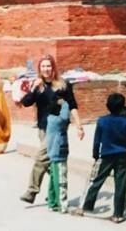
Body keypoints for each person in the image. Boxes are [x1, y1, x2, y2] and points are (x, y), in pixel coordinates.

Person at [19, 54, 84, 204]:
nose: (46, 69)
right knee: (51, 161)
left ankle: (31, 191)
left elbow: (73, 106)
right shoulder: (38, 85)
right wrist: (34, 88)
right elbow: (26, 102)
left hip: (57, 128)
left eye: (48, 66)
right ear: (39, 69)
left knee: (41, 158)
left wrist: (78, 126)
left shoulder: (62, 85)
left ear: (53, 67)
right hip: (43, 127)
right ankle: (55, 192)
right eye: (43, 66)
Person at [75, 93, 126, 223]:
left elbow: (97, 140)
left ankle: (87, 206)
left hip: (106, 155)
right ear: (123, 106)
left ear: (107, 106)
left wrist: (96, 154)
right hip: (122, 155)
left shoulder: (102, 121)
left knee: (98, 180)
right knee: (121, 184)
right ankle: (118, 214)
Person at [45, 97, 70, 212]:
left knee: (53, 179)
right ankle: (62, 204)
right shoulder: (57, 121)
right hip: (58, 153)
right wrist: (65, 103)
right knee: (61, 180)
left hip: (53, 153)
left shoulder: (50, 119)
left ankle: (52, 202)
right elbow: (65, 117)